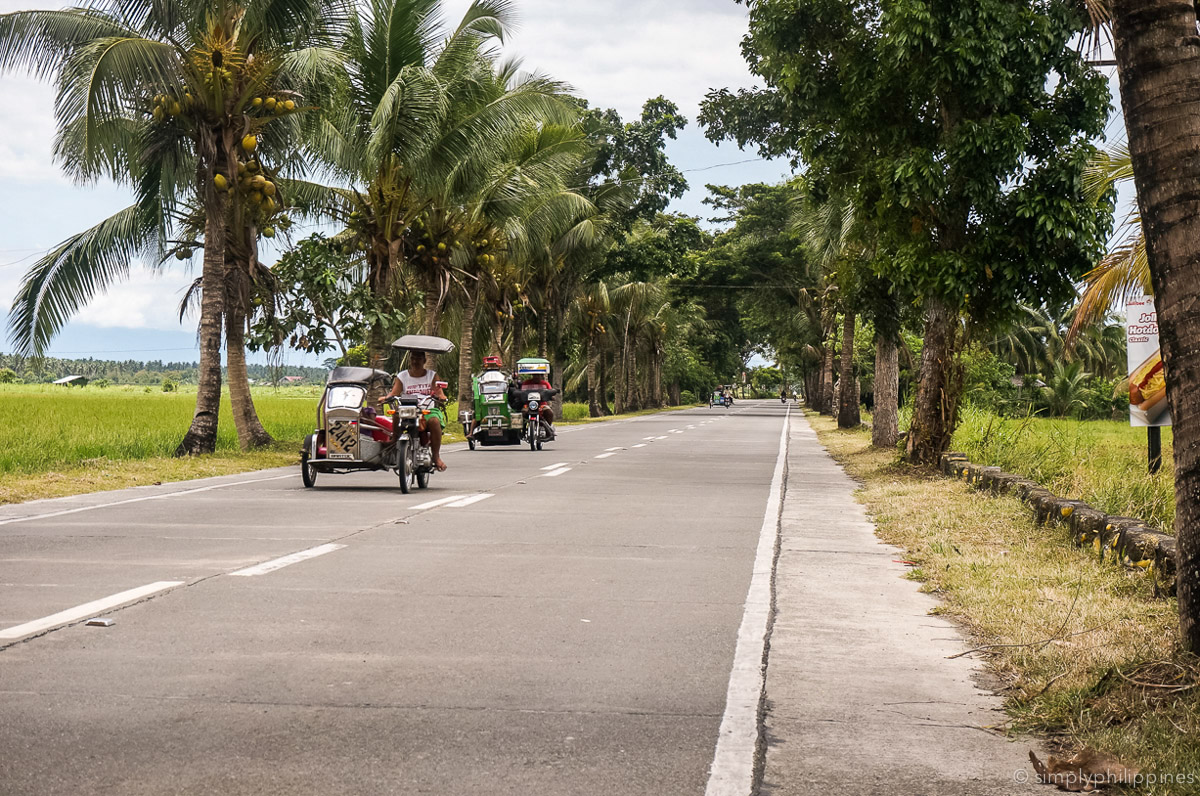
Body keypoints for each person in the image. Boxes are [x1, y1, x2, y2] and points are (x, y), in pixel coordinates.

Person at [381, 349, 448, 471]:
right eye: (413, 358)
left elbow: (438, 391)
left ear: (424, 360)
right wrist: (386, 398)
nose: (415, 361)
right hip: (407, 407)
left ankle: (436, 456)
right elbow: (394, 392)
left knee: (434, 422)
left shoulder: (432, 375)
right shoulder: (402, 376)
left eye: (418, 358)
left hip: (426, 409)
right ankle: (394, 441)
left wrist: (441, 397)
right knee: (396, 414)